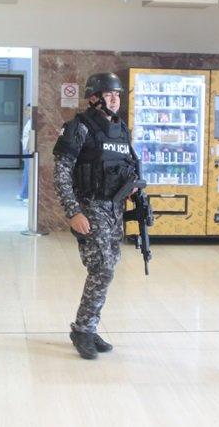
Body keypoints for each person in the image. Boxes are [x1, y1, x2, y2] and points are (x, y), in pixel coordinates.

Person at [53, 72, 141, 360]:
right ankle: (83, 329)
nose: (115, 98)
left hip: (114, 208)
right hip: (90, 207)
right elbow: (62, 172)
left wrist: (133, 189)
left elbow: (127, 165)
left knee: (107, 269)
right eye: (109, 94)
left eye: (118, 94)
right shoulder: (79, 128)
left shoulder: (120, 129)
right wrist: (73, 211)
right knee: (102, 268)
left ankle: (86, 326)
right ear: (94, 98)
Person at [18, 104, 32, 202]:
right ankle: (24, 194)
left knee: (28, 173)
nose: (26, 112)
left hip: (29, 151)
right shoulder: (30, 121)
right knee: (25, 173)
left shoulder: (32, 122)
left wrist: (27, 149)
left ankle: (26, 195)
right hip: (26, 151)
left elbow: (31, 136)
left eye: (28, 110)